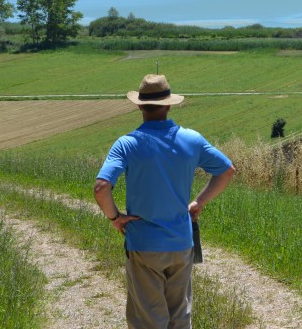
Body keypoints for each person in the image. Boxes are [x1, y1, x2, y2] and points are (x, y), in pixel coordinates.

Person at [94, 73, 236, 329]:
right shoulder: (192, 139)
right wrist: (199, 202)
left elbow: (101, 187)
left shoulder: (126, 144)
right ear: (169, 104)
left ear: (139, 106)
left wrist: (115, 218)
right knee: (180, 317)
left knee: (149, 320)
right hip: (182, 242)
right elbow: (227, 171)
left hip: (143, 243)